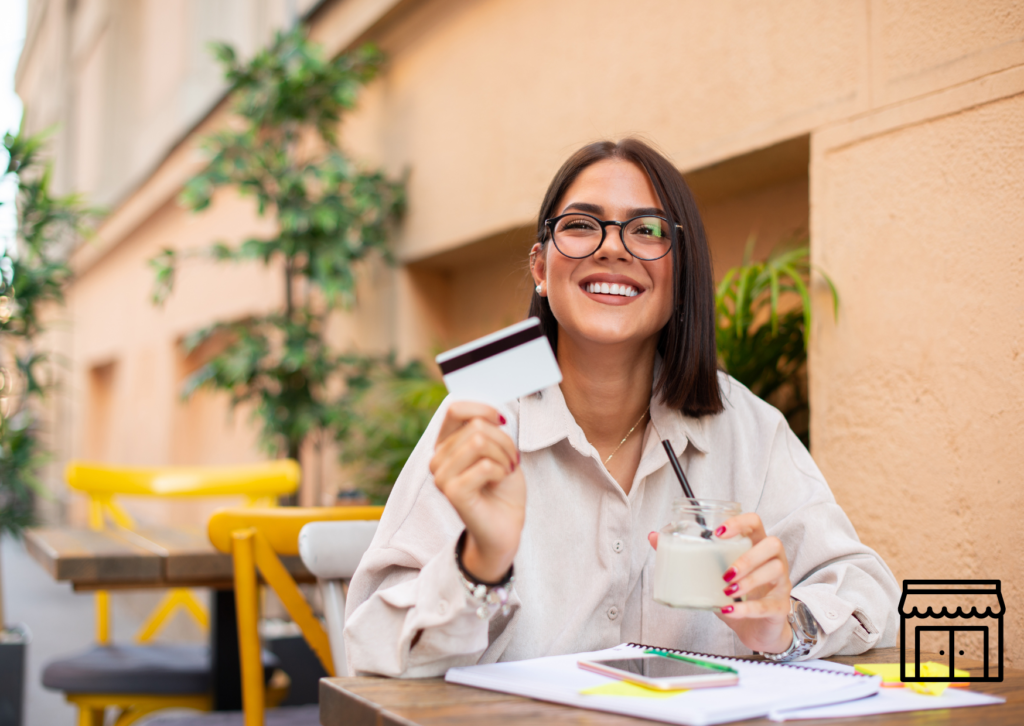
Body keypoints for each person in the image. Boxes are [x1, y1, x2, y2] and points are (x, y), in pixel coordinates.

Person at [344, 138, 899, 678]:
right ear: (540, 267)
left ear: (679, 275)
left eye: (647, 230)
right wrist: (479, 565)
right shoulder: (481, 419)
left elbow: (869, 592)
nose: (613, 247)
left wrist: (784, 625)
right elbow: (369, 640)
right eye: (582, 225)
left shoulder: (745, 427)